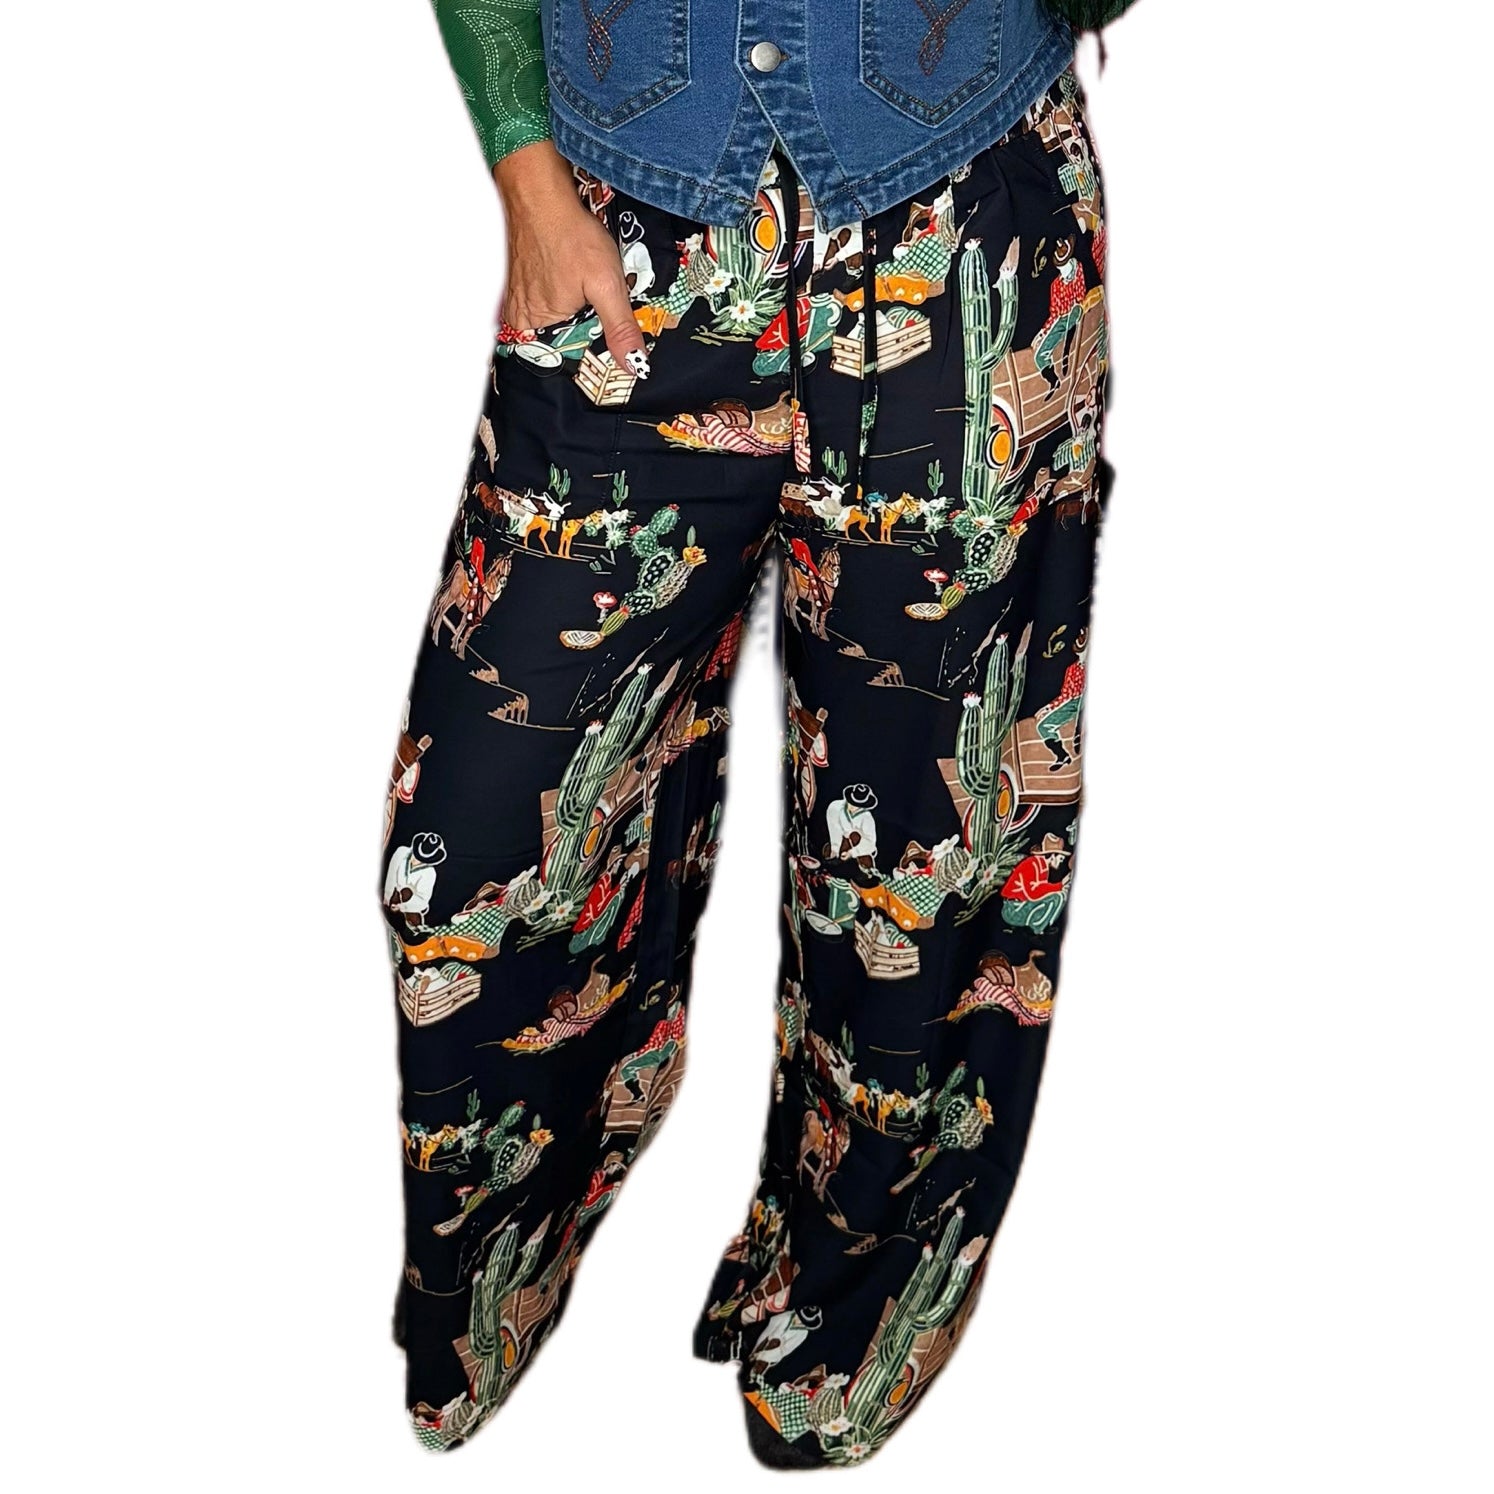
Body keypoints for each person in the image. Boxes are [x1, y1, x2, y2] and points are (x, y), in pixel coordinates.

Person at [388, 0, 1138, 1466]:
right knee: (475, 846)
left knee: (921, 847)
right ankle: (507, 1256)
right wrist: (526, 176)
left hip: (968, 216)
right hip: (622, 235)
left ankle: (850, 1308)